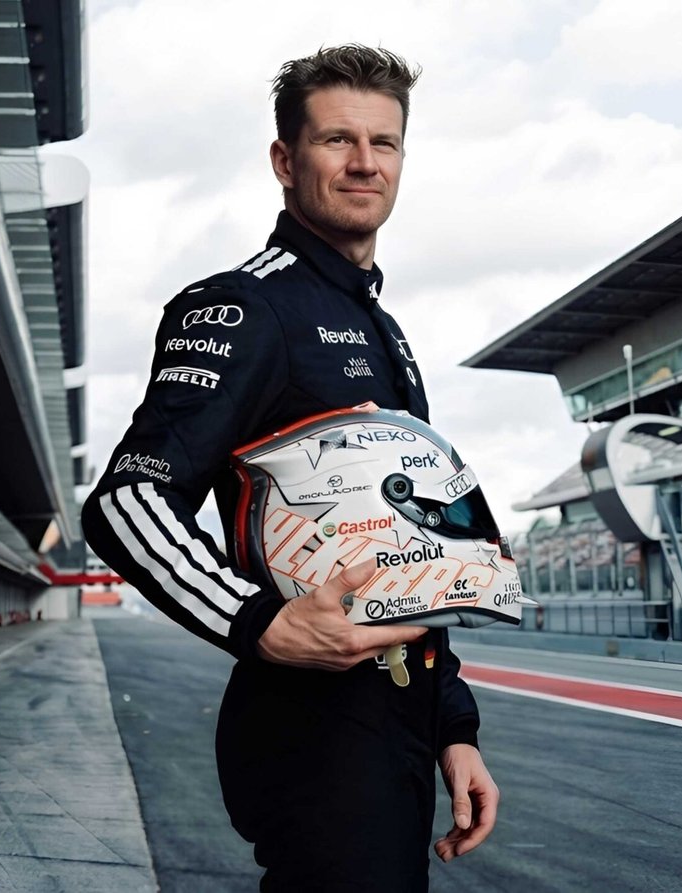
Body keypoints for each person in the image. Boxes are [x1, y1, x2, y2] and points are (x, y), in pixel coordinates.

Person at [80, 46, 495, 890]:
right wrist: (257, 622)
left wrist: (454, 725)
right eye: (337, 139)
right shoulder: (244, 306)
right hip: (315, 735)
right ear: (284, 159)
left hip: (401, 726)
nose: (363, 162)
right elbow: (126, 503)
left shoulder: (389, 333)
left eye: (384, 143)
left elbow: (408, 550)